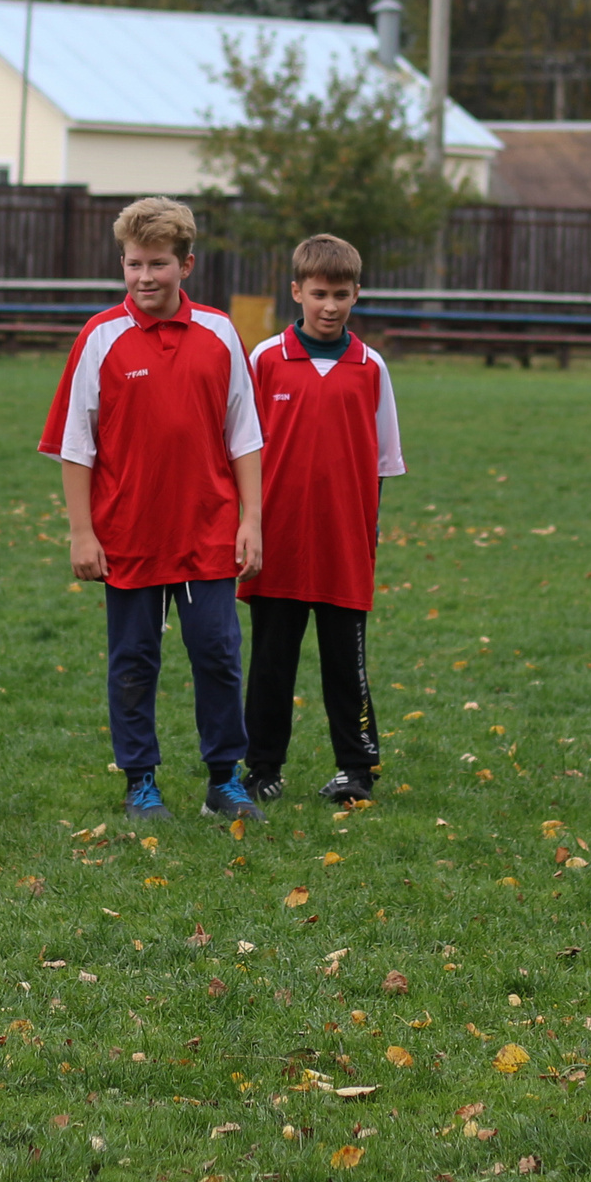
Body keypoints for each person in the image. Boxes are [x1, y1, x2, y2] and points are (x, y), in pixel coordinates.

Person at [42, 197, 266, 823]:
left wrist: (250, 520)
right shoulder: (100, 337)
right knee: (134, 662)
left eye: (159, 264)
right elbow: (75, 444)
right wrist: (82, 533)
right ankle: (141, 779)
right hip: (128, 535)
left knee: (218, 655)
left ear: (186, 265)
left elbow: (244, 435)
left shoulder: (220, 334)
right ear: (122, 264)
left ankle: (225, 778)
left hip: (207, 531)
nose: (145, 277)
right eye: (134, 264)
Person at [239, 233, 405, 805]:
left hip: (343, 545)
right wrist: (249, 528)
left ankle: (357, 769)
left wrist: (367, 539)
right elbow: (241, 451)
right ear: (297, 292)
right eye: (318, 294)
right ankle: (261, 768)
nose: (329, 306)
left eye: (341, 294)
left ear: (357, 294)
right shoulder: (264, 360)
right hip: (277, 542)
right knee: (271, 664)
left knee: (345, 663)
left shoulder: (371, 367)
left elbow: (383, 464)